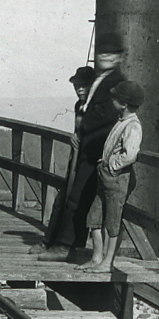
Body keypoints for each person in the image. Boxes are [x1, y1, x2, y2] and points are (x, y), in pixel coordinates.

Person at [37, 32, 129, 262]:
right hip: (88, 148)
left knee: (78, 197)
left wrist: (82, 122)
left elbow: (107, 114)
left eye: (111, 54)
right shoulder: (101, 77)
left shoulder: (116, 82)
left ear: (119, 57)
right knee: (72, 195)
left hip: (98, 149)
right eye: (102, 53)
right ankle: (60, 243)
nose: (105, 57)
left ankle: (67, 246)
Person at [82, 80, 145, 270]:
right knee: (94, 218)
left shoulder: (133, 126)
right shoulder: (122, 121)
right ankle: (96, 258)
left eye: (115, 97)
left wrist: (111, 165)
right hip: (107, 178)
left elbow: (130, 154)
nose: (112, 100)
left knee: (112, 221)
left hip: (118, 179)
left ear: (124, 103)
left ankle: (108, 262)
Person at [40, 65, 96, 250]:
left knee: (77, 202)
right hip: (77, 160)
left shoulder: (97, 109)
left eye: (83, 86)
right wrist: (74, 136)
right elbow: (78, 131)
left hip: (90, 163)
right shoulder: (79, 106)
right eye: (76, 86)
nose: (79, 89)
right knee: (61, 200)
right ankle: (49, 241)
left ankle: (70, 246)